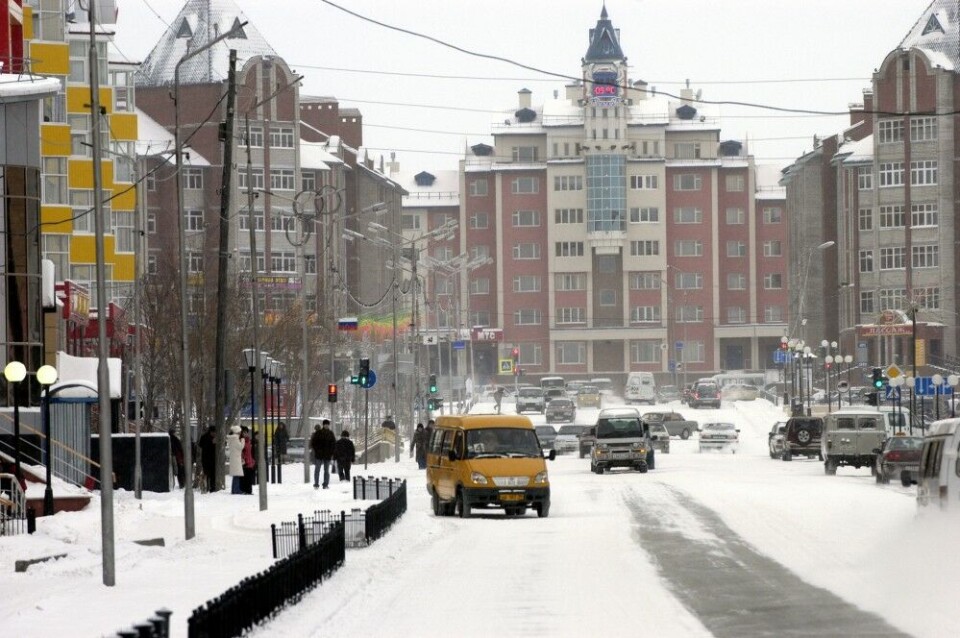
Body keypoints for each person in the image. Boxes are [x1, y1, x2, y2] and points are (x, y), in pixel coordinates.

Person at [310, 419, 337, 488]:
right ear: (323, 425)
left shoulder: (331, 433)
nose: (326, 425)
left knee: (326, 470)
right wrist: (317, 450)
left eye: (327, 424)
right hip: (319, 455)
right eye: (325, 424)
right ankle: (316, 483)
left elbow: (333, 444)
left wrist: (331, 452)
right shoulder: (318, 433)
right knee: (317, 469)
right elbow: (313, 443)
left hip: (327, 455)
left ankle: (325, 484)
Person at [197, 425, 218, 493]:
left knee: (211, 474)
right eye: (214, 432)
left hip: (209, 458)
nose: (214, 434)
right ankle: (208, 487)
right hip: (207, 458)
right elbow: (202, 446)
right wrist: (212, 443)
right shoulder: (206, 437)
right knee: (208, 474)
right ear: (211, 432)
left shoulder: (206, 437)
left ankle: (210, 487)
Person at [226, 425, 244, 494]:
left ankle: (234, 489)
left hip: (234, 458)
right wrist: (242, 441)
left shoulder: (231, 439)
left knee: (235, 475)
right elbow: (240, 447)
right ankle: (236, 490)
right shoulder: (235, 439)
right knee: (237, 475)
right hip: (236, 459)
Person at [240, 426, 255, 494]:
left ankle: (249, 490)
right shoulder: (241, 441)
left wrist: (252, 460)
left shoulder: (249, 441)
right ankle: (245, 490)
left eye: (246, 432)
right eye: (244, 432)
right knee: (245, 477)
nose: (245, 434)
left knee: (249, 477)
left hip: (250, 461)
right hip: (244, 462)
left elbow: (250, 452)